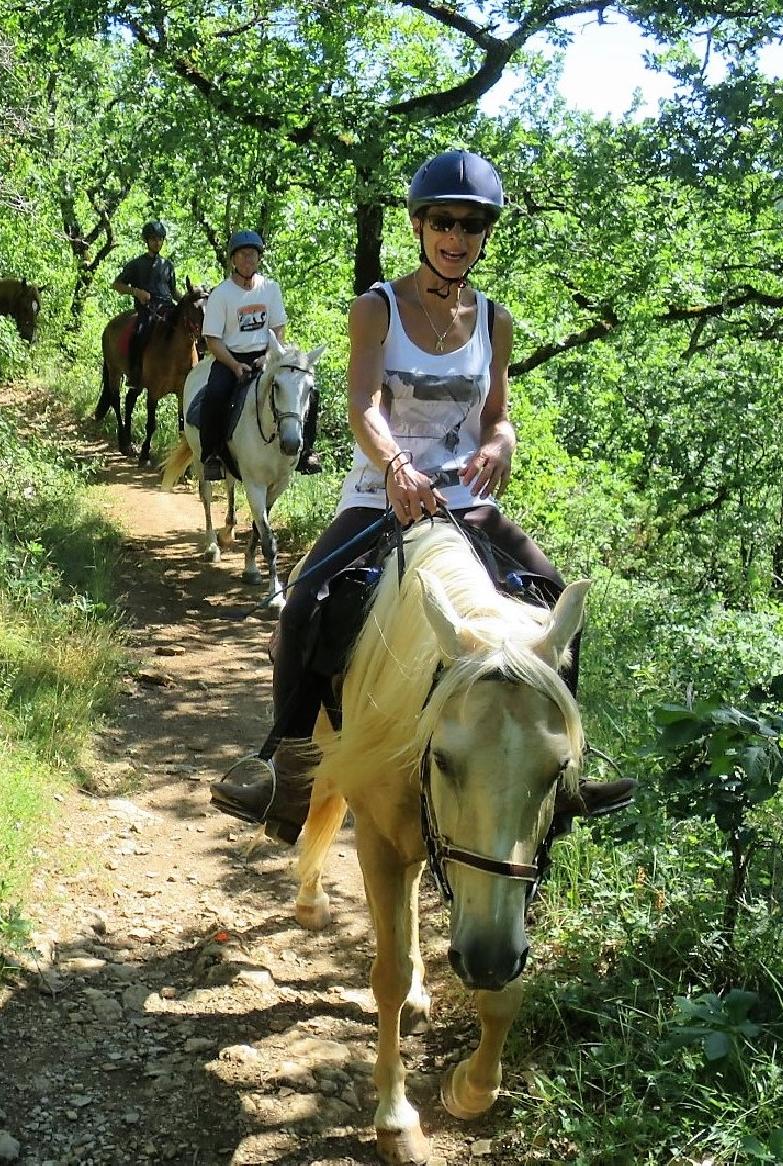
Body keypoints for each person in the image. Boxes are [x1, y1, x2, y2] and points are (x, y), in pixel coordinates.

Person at [211, 149, 635, 845]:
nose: (457, 236)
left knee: (560, 601)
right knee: (306, 603)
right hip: (382, 494)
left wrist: (501, 444)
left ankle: (564, 771)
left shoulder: (495, 321)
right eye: (444, 220)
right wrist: (398, 464)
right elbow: (362, 404)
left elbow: (496, 416)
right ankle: (283, 767)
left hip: (464, 499)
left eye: (472, 225)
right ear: (418, 224)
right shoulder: (377, 308)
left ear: (484, 236)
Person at [199, 229, 322, 480]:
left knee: (309, 390)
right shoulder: (221, 294)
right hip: (230, 357)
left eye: (253, 255)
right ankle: (211, 454)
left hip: (266, 355)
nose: (248, 260)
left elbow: (278, 328)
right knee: (215, 394)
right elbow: (212, 340)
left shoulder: (270, 288)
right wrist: (234, 366)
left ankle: (306, 449)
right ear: (233, 259)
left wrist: (268, 356)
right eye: (243, 255)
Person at [112, 219, 177, 388]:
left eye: (160, 239)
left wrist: (189, 300)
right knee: (140, 333)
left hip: (168, 308)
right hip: (147, 311)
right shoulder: (136, 264)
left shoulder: (168, 265)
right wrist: (136, 292)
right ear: (147, 241)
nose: (157, 242)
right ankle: (135, 372)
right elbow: (117, 285)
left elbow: (174, 292)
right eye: (154, 239)